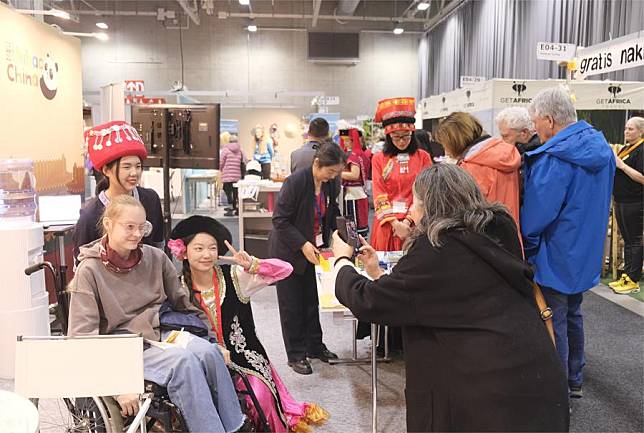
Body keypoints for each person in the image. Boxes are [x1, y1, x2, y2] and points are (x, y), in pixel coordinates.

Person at [332, 164, 569, 432]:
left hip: (484, 400)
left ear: (431, 208)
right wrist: (378, 272)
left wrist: (341, 260)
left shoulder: (437, 251)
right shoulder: (497, 231)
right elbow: (449, 294)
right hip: (537, 382)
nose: (412, 211)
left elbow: (367, 301)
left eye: (417, 203)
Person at [67, 195, 246, 433]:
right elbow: (82, 338)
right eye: (129, 227)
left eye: (141, 227)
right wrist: (118, 385)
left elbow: (185, 305)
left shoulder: (155, 257)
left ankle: (236, 428)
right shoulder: (89, 271)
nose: (136, 234)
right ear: (108, 224)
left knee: (209, 353)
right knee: (183, 363)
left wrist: (213, 340)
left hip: (160, 331)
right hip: (123, 346)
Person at [168, 216, 329, 433]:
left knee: (260, 398)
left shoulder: (235, 276)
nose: (206, 255)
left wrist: (253, 264)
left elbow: (285, 269)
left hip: (243, 358)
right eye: (198, 248)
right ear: (184, 252)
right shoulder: (178, 289)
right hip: (204, 361)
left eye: (212, 248)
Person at [523, 87, 615, 399]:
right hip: (586, 251)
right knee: (573, 314)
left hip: (555, 253)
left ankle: (556, 394)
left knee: (553, 320)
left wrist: (527, 245)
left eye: (536, 122)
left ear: (549, 120)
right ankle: (574, 378)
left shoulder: (554, 158)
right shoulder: (600, 148)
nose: (534, 128)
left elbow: (537, 216)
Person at [268, 142, 345, 375]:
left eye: (336, 173)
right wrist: (302, 244)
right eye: (330, 171)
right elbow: (280, 220)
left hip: (317, 250)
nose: (333, 177)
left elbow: (332, 214)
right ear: (316, 164)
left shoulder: (330, 186)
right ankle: (296, 354)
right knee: (292, 304)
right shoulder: (296, 182)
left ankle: (315, 346)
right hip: (290, 250)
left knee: (313, 300)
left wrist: (337, 234)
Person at [73, 121, 163, 263]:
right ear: (106, 170)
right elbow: (81, 263)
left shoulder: (150, 199)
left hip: (148, 280)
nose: (134, 173)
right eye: (126, 167)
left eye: (138, 166)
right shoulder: (90, 214)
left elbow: (159, 246)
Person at [435, 111, 521, 225]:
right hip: (511, 232)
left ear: (454, 141)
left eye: (444, 144)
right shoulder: (508, 154)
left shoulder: (470, 168)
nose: (445, 150)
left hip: (483, 235)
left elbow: (463, 213)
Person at [370, 97, 432, 252]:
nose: (402, 141)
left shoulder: (423, 157)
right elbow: (379, 193)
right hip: (388, 225)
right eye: (396, 137)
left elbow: (426, 191)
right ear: (388, 136)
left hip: (415, 223)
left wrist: (407, 221)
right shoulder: (379, 159)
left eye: (406, 136)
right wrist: (395, 223)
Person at [608, 116, 644, 294]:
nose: (626, 132)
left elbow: (642, 178)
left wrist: (622, 166)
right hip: (621, 199)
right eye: (625, 128)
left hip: (635, 201)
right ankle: (627, 276)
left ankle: (633, 279)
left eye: (631, 129)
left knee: (635, 240)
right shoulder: (626, 148)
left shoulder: (642, 150)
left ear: (641, 131)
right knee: (628, 240)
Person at [340, 128, 369, 237]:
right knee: (357, 224)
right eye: (345, 140)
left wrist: (337, 173)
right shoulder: (360, 154)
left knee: (354, 226)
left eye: (349, 140)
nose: (346, 143)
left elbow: (354, 175)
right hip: (357, 192)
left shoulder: (353, 156)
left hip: (354, 194)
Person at [220, 133, 245, 216]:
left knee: (228, 192)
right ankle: (237, 209)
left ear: (229, 141)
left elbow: (221, 162)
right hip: (237, 176)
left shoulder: (225, 150)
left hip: (227, 176)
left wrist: (220, 169)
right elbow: (245, 161)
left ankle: (230, 209)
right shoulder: (241, 150)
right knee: (236, 193)